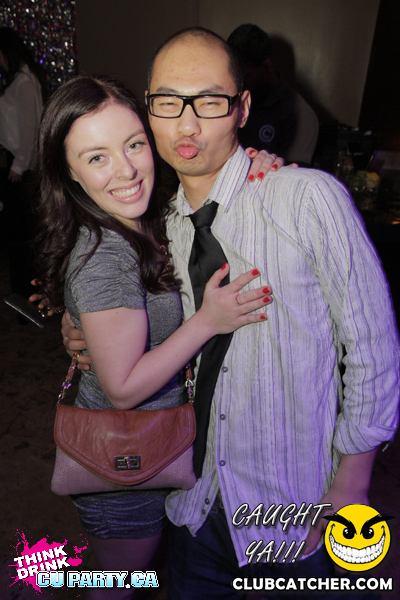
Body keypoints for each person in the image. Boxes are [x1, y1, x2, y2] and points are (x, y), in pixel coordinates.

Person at [62, 27, 399, 600]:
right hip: (191, 505)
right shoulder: (153, 229)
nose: (187, 125)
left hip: (295, 515)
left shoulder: (306, 199)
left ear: (242, 108)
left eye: (209, 102)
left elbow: (372, 348)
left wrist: (352, 483)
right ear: (149, 113)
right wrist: (77, 331)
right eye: (169, 103)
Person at [33, 74, 272, 600]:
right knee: (120, 584)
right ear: (69, 171)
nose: (125, 170)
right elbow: (122, 388)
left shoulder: (143, 217)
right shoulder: (105, 253)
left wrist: (260, 164)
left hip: (154, 446)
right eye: (96, 157)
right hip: (122, 462)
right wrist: (206, 321)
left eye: (134, 144)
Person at [227, 23, 319, 166]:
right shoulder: (229, 99)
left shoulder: (301, 116)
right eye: (233, 77)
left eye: (244, 77)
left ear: (266, 68)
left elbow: (293, 175)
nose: (237, 85)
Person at [0, 27, 46, 295]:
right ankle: (24, 293)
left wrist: (18, 165)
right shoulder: (19, 79)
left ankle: (26, 295)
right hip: (19, 163)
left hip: (23, 167)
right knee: (21, 236)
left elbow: (30, 130)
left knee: (22, 236)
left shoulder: (24, 82)